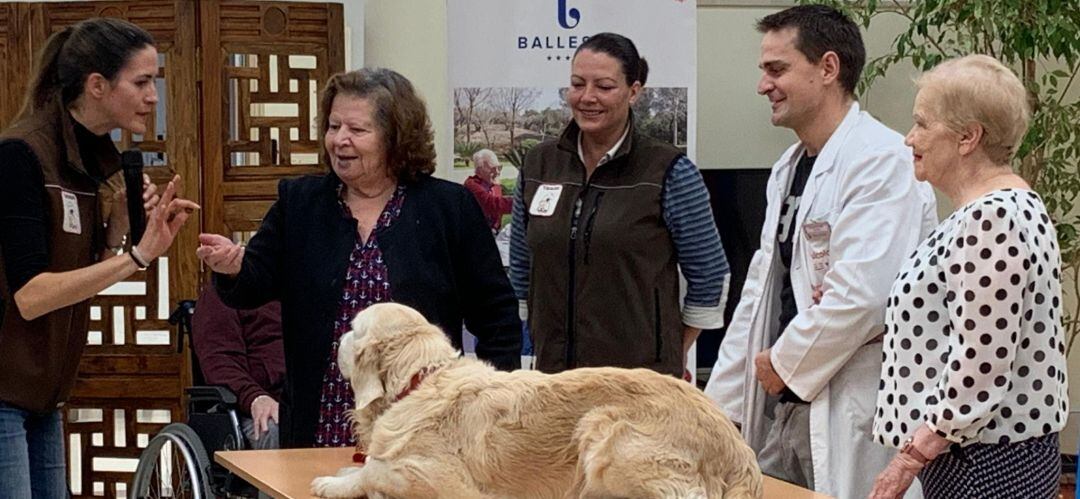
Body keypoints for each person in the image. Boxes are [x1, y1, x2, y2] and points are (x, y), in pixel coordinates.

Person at [196, 67, 521, 449]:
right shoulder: (300, 203)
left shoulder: (448, 208)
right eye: (333, 127)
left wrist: (489, 403)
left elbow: (496, 315)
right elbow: (255, 285)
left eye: (357, 130)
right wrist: (233, 267)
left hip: (422, 427)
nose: (340, 141)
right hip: (320, 422)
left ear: (395, 137)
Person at [703, 6, 937, 498]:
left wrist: (780, 362)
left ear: (828, 68)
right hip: (786, 403)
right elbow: (758, 294)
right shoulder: (788, 168)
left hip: (852, 399)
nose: (762, 86)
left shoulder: (880, 160)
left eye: (776, 69)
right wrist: (718, 407)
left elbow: (864, 297)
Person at [0, 18, 197, 498]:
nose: (154, 96)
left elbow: (75, 272)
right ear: (96, 85)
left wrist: (121, 231)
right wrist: (138, 256)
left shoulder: (92, 162)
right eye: (142, 81)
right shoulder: (21, 156)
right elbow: (30, 296)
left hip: (44, 393)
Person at [869, 55, 1068, 499]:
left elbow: (981, 361)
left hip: (981, 463)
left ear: (968, 137)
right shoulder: (1002, 209)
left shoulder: (993, 217)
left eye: (922, 123)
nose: (909, 138)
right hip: (978, 455)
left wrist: (911, 457)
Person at [509, 32, 730, 378]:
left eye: (604, 86)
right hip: (555, 383)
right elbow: (523, 266)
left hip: (638, 385)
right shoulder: (538, 165)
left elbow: (709, 275)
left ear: (634, 91)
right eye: (577, 84)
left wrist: (671, 351)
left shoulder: (669, 170)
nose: (587, 97)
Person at [192, 284, 284, 450]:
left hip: (303, 402)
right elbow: (220, 361)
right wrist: (255, 397)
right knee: (273, 429)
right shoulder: (221, 294)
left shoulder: (303, 288)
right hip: (250, 405)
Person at [464, 148, 512, 232]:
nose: (497, 172)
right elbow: (491, 204)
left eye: (499, 167)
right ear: (479, 170)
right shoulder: (471, 185)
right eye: (493, 168)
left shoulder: (494, 185)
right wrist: (521, 202)